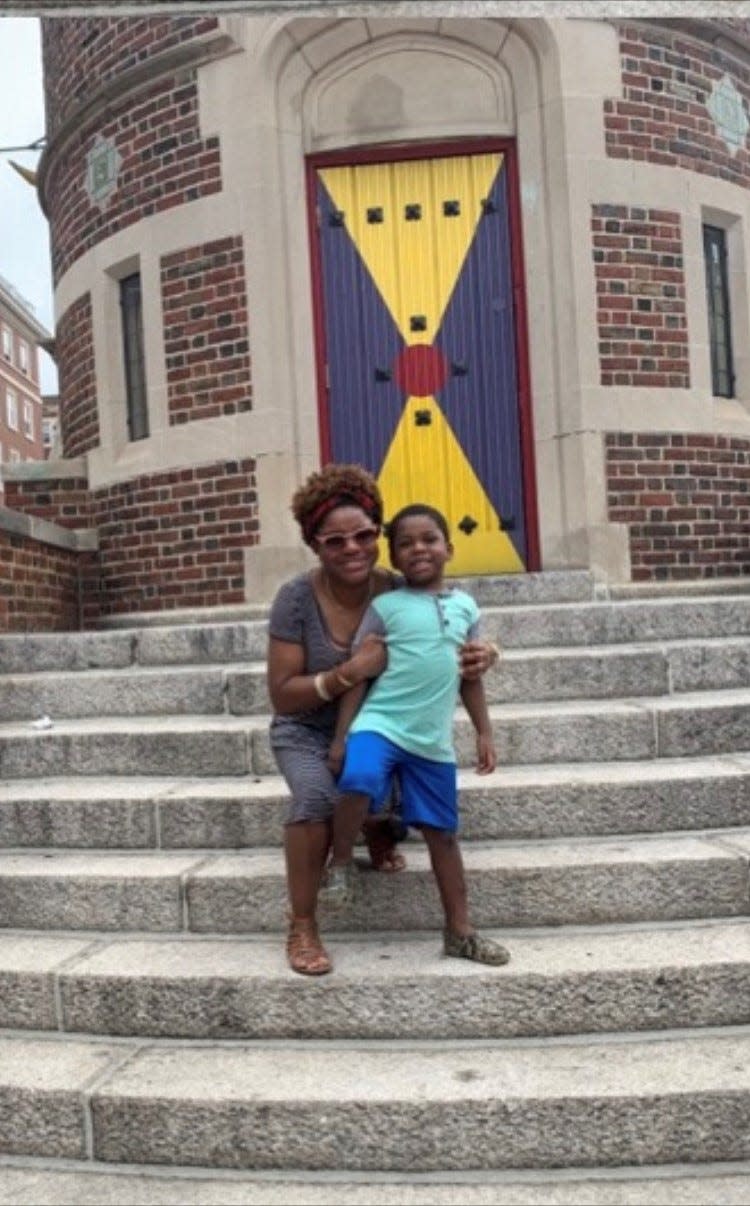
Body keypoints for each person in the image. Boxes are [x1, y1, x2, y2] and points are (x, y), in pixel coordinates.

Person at [266, 464, 499, 977]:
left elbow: (445, 636)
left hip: (384, 722)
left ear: (379, 536)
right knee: (316, 797)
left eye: (364, 535)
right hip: (307, 728)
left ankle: (379, 829)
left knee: (386, 777)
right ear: (315, 545)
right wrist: (347, 672)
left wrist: (487, 651)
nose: (352, 548)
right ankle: (303, 923)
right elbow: (283, 696)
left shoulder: (398, 588)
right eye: (334, 541)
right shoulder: (296, 599)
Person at [323, 502, 510, 967]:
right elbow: (361, 675)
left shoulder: (466, 607)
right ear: (394, 556)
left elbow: (470, 673)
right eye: (405, 543)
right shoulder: (383, 607)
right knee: (360, 778)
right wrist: (342, 736)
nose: (418, 549)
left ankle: (460, 932)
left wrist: (484, 731)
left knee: (443, 835)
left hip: (432, 741)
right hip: (381, 723)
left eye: (428, 539)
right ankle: (342, 861)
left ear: (449, 547)